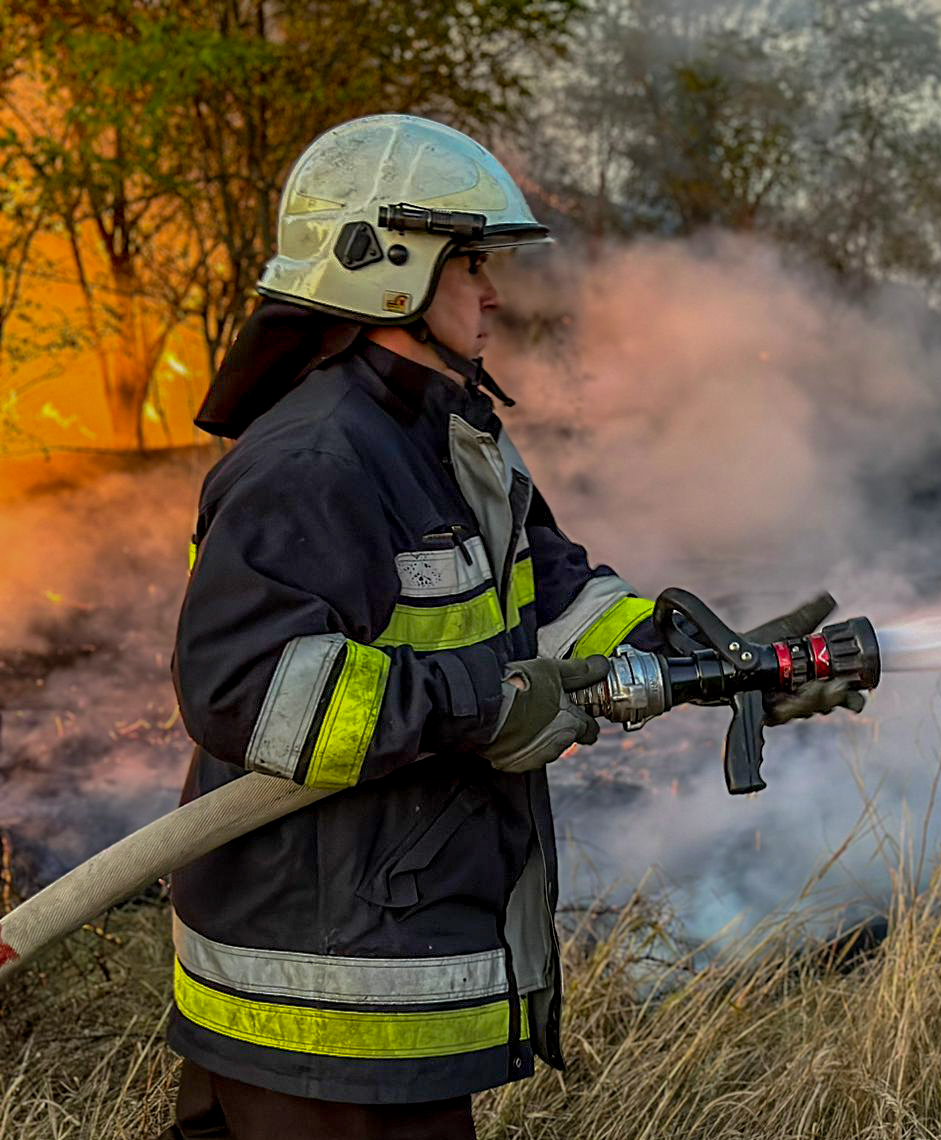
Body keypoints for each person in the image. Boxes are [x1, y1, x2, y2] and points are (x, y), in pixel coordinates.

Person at [161, 114, 863, 1139]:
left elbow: (564, 603)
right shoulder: (314, 461)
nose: (492, 290)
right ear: (384, 264)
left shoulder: (448, 440)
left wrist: (724, 666)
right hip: (320, 1004)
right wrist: (485, 701)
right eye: (471, 260)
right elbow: (248, 694)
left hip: (370, 972)